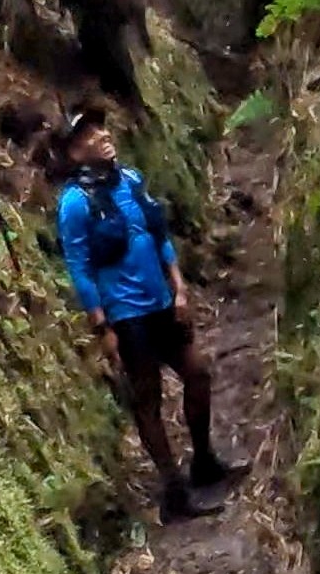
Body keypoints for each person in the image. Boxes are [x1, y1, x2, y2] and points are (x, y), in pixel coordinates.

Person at [53, 108, 230, 520]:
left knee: (197, 372)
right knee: (148, 397)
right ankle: (173, 491)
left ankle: (203, 461)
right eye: (89, 136)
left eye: (101, 129)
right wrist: (102, 326)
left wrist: (180, 288)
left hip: (161, 303)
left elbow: (158, 236)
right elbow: (79, 266)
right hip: (127, 314)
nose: (102, 137)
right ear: (76, 154)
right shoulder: (75, 204)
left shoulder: (130, 181)